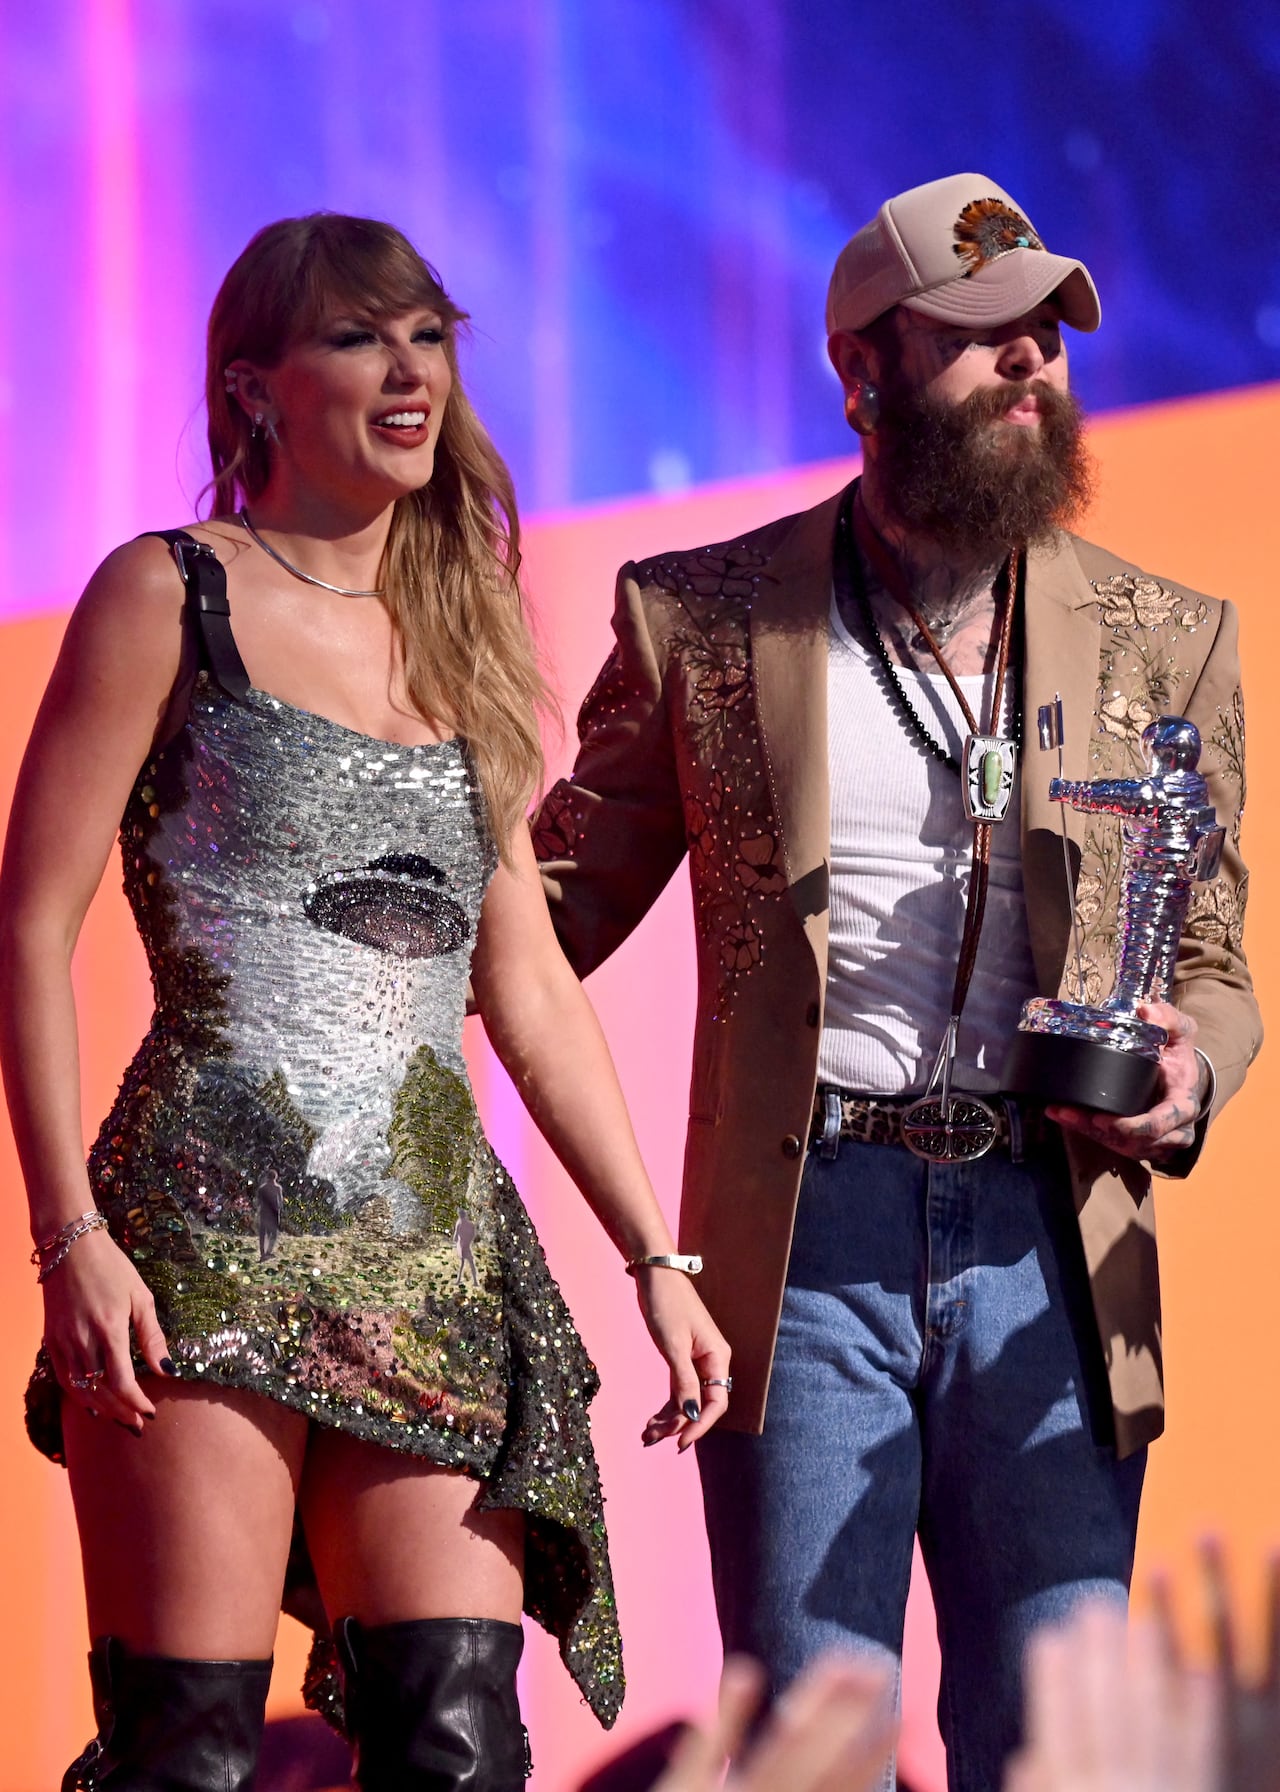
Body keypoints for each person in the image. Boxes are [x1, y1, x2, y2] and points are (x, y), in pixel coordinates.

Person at [532, 171, 1259, 1789]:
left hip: (1052, 1242)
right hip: (806, 1240)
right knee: (808, 1743)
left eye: (1049, 339)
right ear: (861, 373)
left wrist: (1193, 1066)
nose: (1032, 370)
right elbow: (549, 915)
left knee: (1059, 1749)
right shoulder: (700, 620)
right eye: (983, 337)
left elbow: (1210, 955)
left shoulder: (1164, 635)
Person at [0, 213, 730, 1791]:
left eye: (428, 335)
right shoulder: (164, 594)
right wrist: (70, 1236)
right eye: (357, 337)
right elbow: (31, 922)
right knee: (185, 1757)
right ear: (254, 386)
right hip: (199, 1244)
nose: (409, 370)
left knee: (456, 1749)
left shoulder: (465, 631)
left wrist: (654, 1257)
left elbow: (525, 984)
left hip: (434, 1257)